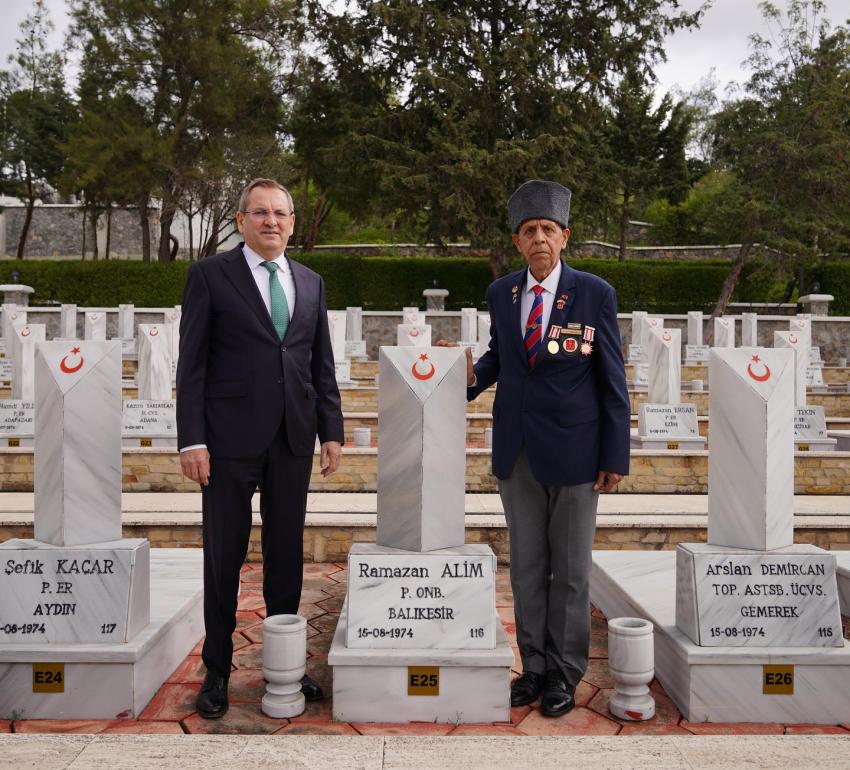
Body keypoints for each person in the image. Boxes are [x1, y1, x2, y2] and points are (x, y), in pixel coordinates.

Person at [176, 178, 344, 719]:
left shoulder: (311, 282)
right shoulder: (209, 276)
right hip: (226, 443)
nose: (271, 221)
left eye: (280, 213)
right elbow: (192, 364)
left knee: (285, 556)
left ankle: (285, 665)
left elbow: (320, 363)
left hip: (292, 438)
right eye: (261, 212)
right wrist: (192, 439)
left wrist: (332, 430)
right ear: (241, 219)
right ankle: (219, 669)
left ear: (293, 222)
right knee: (224, 555)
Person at [465, 179, 630, 717]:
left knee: (572, 570)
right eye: (529, 230)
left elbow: (612, 380)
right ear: (517, 241)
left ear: (565, 236)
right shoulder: (502, 294)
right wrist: (458, 374)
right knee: (528, 567)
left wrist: (615, 456)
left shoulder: (594, 294)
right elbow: (499, 358)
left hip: (578, 455)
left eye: (549, 230)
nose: (540, 238)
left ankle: (564, 672)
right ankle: (533, 666)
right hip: (518, 452)